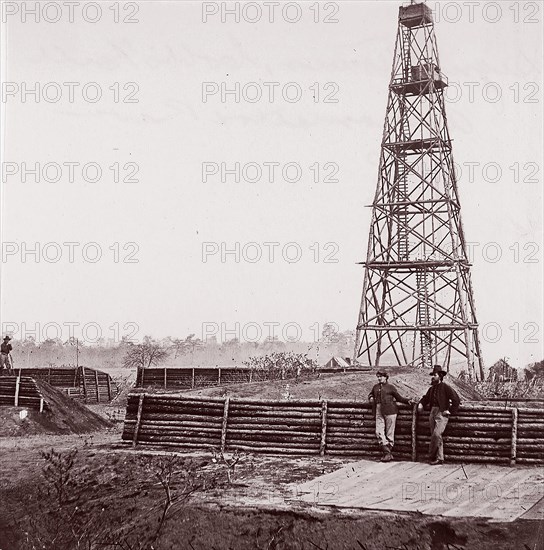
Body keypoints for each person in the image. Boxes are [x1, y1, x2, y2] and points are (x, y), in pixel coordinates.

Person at [418, 364, 461, 465]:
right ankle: (440, 458)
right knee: (436, 436)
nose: (433, 377)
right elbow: (426, 398)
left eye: (435, 375)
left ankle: (431, 455)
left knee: (436, 434)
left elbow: (456, 399)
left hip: (442, 413)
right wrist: (420, 403)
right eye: (433, 375)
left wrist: (450, 411)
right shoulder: (432, 388)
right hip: (432, 412)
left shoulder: (445, 387)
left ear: (440, 376)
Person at [368, 369, 414, 462]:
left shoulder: (391, 387)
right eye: (378, 377)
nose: (379, 378)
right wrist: (371, 398)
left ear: (386, 377)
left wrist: (408, 401)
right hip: (378, 410)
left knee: (390, 433)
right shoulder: (375, 387)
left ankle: (387, 454)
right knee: (378, 431)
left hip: (390, 411)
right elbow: (370, 394)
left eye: (381, 376)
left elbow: (399, 398)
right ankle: (387, 453)